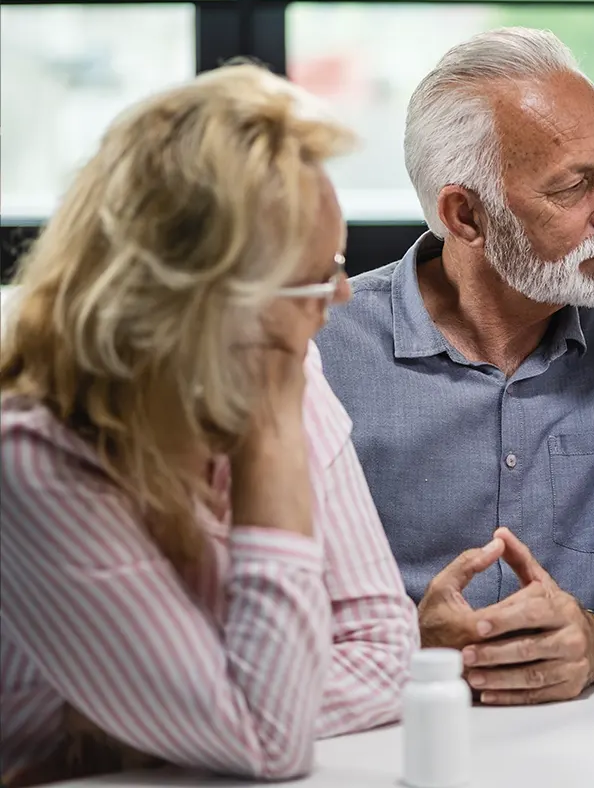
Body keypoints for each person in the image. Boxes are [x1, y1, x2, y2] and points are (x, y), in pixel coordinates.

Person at [0, 63, 418, 785]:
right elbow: (268, 739)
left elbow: (385, 648)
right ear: (201, 304)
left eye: (339, 264)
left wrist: (158, 725)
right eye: (315, 279)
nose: (342, 297)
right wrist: (272, 447)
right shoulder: (33, 458)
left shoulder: (284, 361)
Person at [315, 27, 594, 706]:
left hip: (577, 748)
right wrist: (411, 652)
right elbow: (241, 603)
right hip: (371, 738)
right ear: (465, 215)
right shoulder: (319, 347)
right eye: (573, 187)